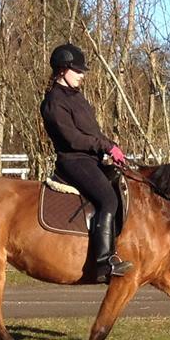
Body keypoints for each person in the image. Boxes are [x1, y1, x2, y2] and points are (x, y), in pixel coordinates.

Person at [40, 43, 133, 280]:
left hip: (92, 158)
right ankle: (103, 263)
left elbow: (92, 131)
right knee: (108, 200)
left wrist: (111, 147)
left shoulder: (77, 96)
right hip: (73, 161)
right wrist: (104, 146)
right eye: (78, 71)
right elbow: (72, 138)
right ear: (62, 70)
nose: (82, 75)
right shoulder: (54, 102)